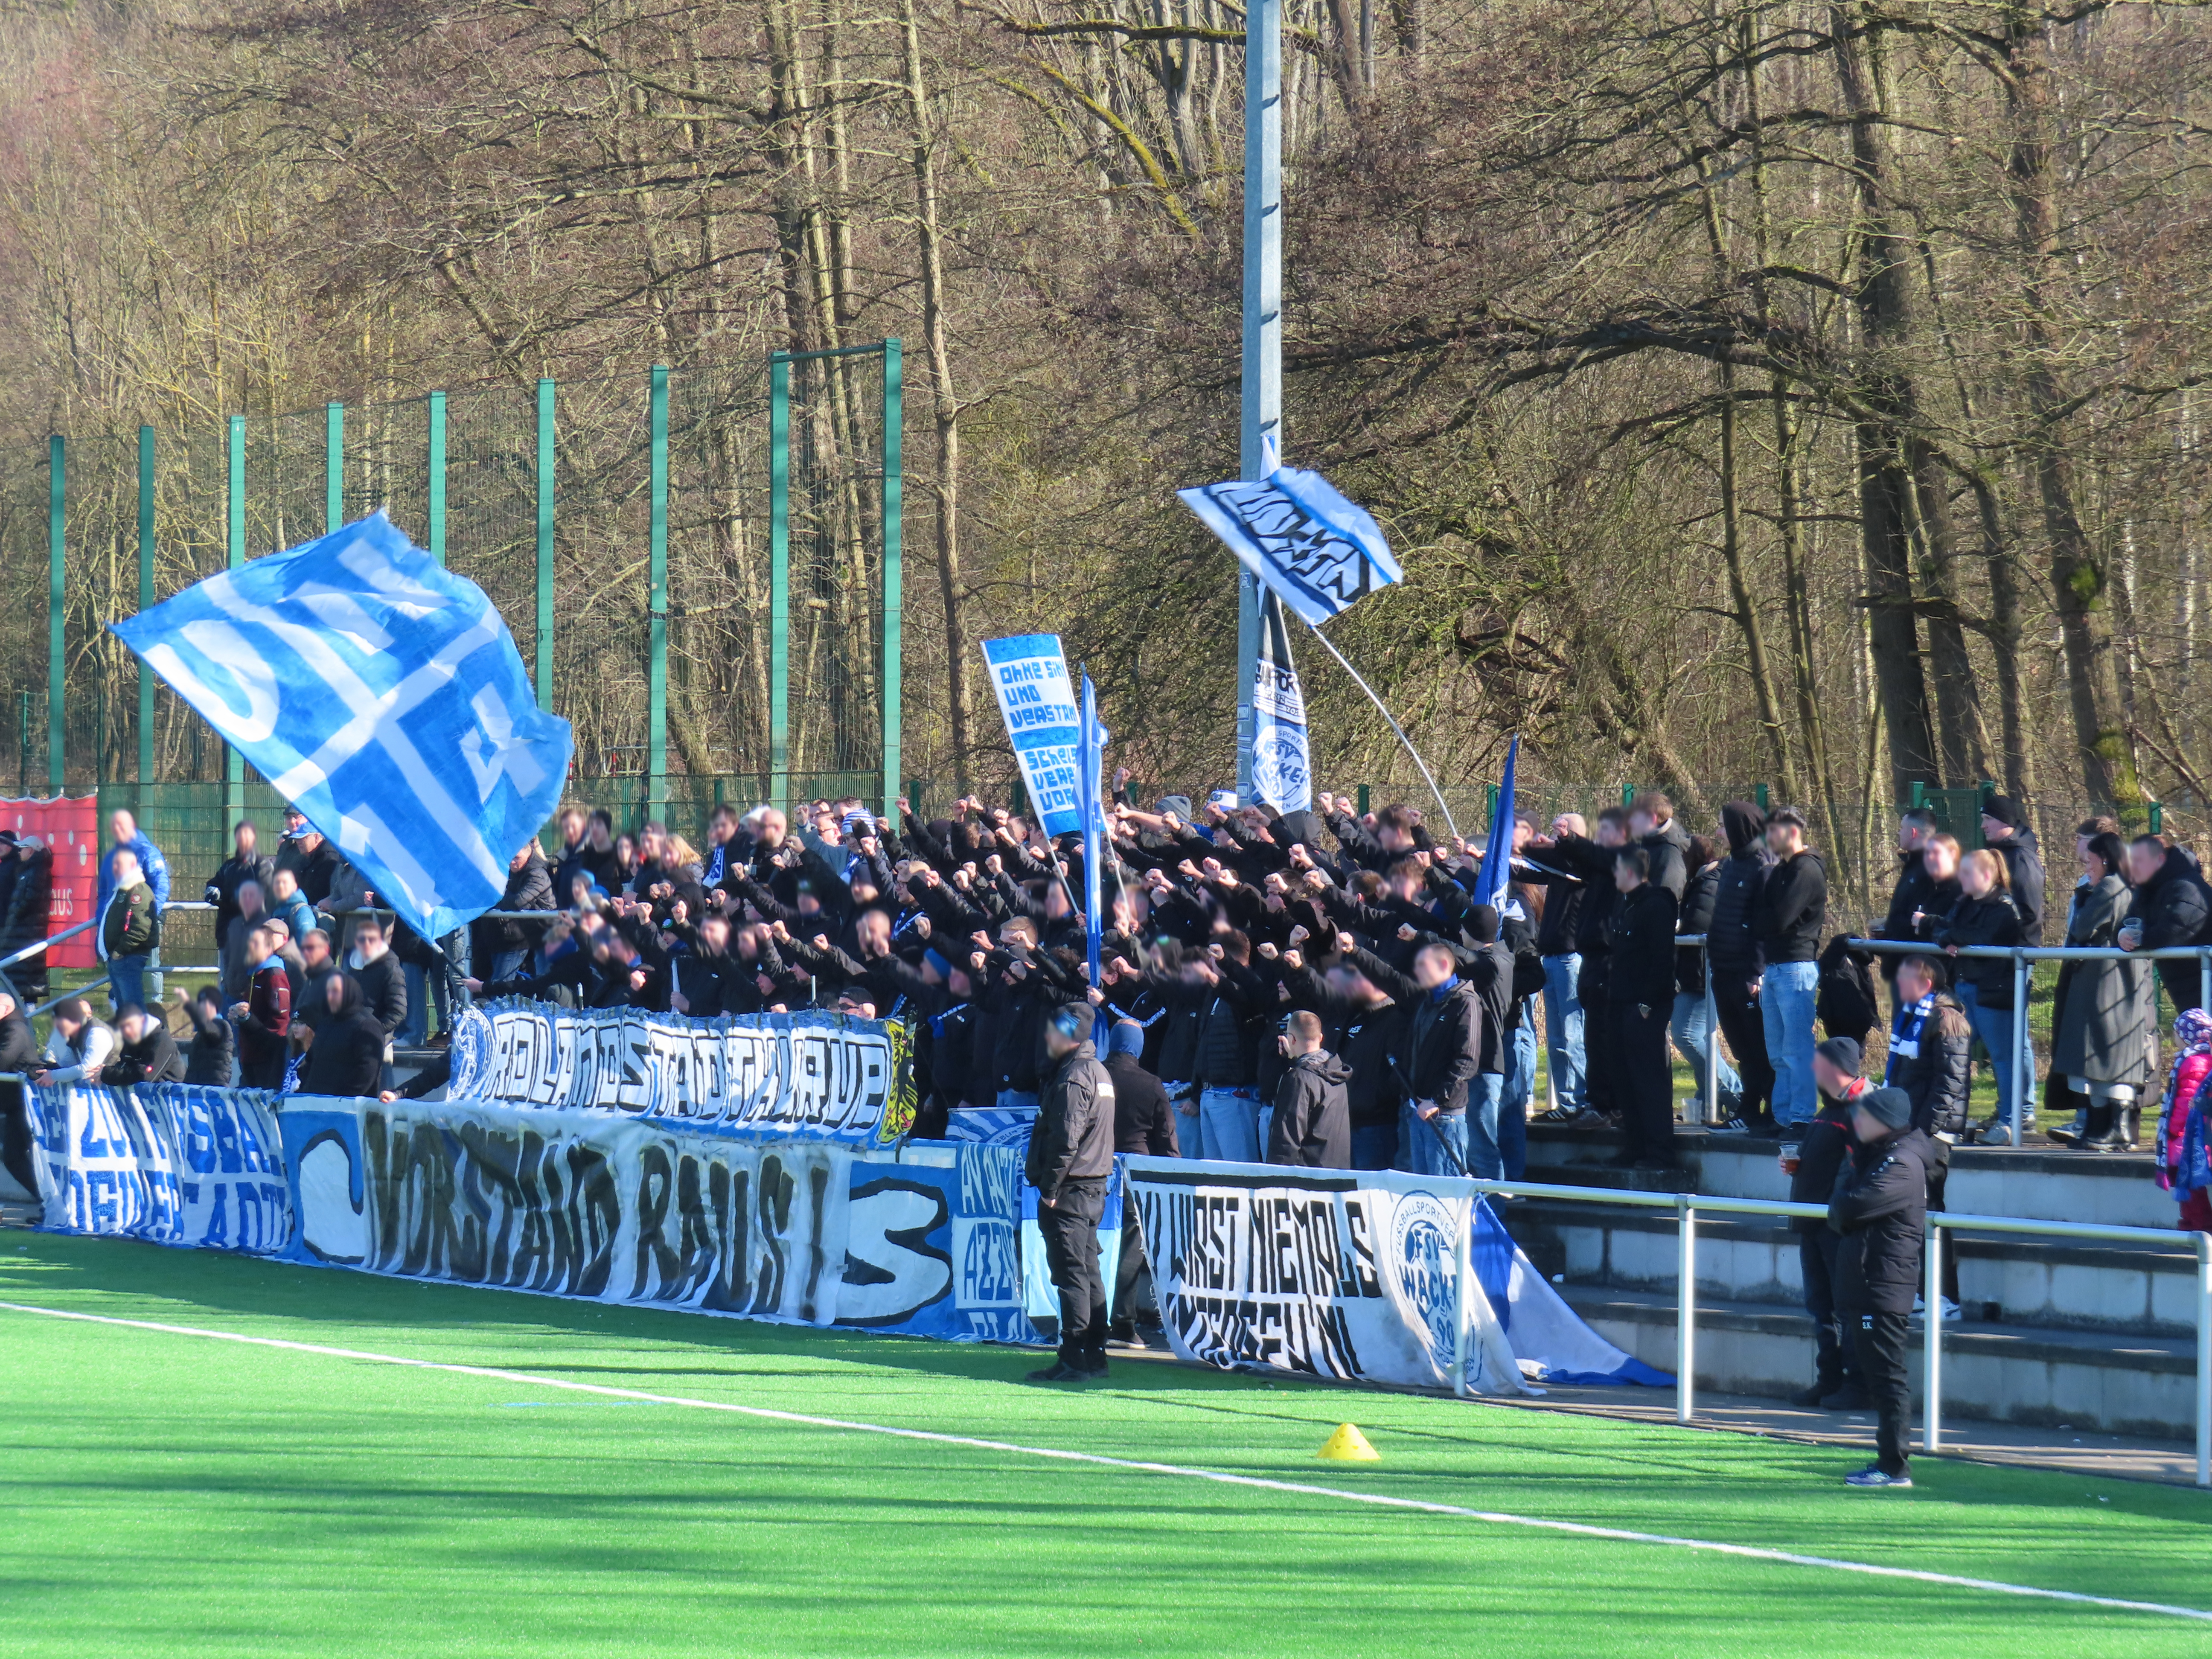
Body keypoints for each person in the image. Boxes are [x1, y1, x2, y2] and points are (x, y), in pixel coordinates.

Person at [1827, 1084, 1933, 1489]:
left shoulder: (1902, 1163)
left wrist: (1842, 1206)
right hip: (1870, 1281)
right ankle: (1889, 1462)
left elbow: (1849, 1206)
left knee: (1887, 1378)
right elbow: (1843, 1206)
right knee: (1879, 1376)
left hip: (1883, 1286)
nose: (1857, 1122)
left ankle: (1894, 1466)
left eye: (1865, 1116)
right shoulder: (1882, 1157)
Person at [1025, 1004, 1116, 1383]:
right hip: (1091, 1186)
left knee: (1071, 1273)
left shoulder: (1074, 1077)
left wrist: (1050, 1188)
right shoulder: (1098, 1071)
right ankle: (1094, 1352)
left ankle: (1074, 1356)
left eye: (1056, 1030)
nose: (1049, 1038)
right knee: (1088, 1271)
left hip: (1071, 1189)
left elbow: (1066, 1139)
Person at [2049, 830, 2151, 1152]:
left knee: (2096, 1054)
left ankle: (2110, 1129)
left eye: (2089, 861)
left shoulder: (2108, 887)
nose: (2086, 868)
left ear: (2104, 859)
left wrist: (2084, 897)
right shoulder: (2133, 886)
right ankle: (2107, 1127)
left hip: (2102, 983)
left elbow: (2080, 928)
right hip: (2123, 983)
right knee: (2111, 1057)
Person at [1883, 953, 1968, 1317]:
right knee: (1911, 1210)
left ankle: (1946, 1297)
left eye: (1906, 979)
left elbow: (1950, 1083)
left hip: (1929, 1135)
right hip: (1909, 1131)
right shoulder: (1911, 1018)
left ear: (1927, 984)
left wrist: (1923, 1131)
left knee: (1931, 1208)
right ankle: (1920, 1291)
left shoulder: (1946, 1019)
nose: (1898, 986)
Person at [1788, 1036, 1867, 1409]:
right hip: (1812, 1223)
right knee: (1820, 1308)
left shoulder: (1859, 1110)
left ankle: (1856, 1383)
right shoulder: (1827, 1112)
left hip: (1837, 1227)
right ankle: (1830, 1379)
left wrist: (1838, 1210)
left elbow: (1857, 1170)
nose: (1813, 1071)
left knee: (1846, 1307)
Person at [1932, 848, 2029, 1142]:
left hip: (1992, 993)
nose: (1960, 878)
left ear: (1987, 875)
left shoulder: (2003, 907)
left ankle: (2011, 1121)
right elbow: (1945, 929)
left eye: (1967, 872)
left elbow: (1983, 937)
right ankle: (1951, 1117)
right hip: (1964, 988)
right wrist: (1949, 936)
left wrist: (1953, 937)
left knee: (2002, 1057)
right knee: (1953, 1050)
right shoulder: (1964, 904)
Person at [1102, 1018, 1176, 1348]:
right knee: (1131, 1247)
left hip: (1092, 1169)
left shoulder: (1093, 1074)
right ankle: (1122, 1323)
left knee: (1090, 1244)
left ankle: (1082, 1319)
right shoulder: (1151, 1084)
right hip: (1133, 1172)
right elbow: (1166, 1138)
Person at [1605, 846, 1679, 1170]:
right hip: (1621, 1003)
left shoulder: (1655, 906)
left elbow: (1662, 959)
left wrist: (1647, 1004)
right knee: (1625, 1078)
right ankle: (1635, 1146)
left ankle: (1660, 1152)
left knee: (1649, 1080)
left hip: (1644, 1007)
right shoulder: (1627, 906)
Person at [1755, 808, 1827, 1130]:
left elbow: (1779, 917)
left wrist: (1760, 921)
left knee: (1797, 1051)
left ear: (1792, 832)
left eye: (1773, 831)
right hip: (1774, 968)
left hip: (1796, 968)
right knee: (1778, 1054)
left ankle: (1801, 1117)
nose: (1768, 838)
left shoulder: (1806, 869)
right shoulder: (1781, 870)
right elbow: (1762, 914)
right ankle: (1783, 1117)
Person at [1706, 802, 1775, 1131]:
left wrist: (1756, 972)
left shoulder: (1762, 865)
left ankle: (1765, 1109)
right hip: (1722, 969)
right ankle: (1748, 1107)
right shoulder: (1730, 864)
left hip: (1746, 973)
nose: (1719, 832)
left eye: (1723, 826)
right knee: (1740, 1045)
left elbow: (1763, 925)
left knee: (1757, 1044)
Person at [1389, 941, 1481, 1178]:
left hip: (1444, 1117)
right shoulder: (1426, 1002)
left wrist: (1437, 1100)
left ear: (1442, 965)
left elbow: (1467, 1060)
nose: (1417, 971)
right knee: (1423, 1192)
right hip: (1418, 1111)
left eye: (1423, 965)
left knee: (1445, 1195)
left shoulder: (1465, 1002)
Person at [1671, 833, 1742, 1120]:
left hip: (1703, 974)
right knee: (1694, 1037)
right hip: (1693, 973)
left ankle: (1735, 1091)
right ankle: (1707, 1101)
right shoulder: (1700, 883)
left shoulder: (1708, 886)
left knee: (1688, 1035)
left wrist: (1677, 929)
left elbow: (1700, 925)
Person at [1531, 812, 1588, 1121]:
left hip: (1570, 960)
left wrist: (1566, 842)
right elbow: (1527, 869)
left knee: (1572, 1034)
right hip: (1552, 958)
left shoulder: (1580, 867)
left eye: (1562, 834)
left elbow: (1571, 859)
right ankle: (1567, 1102)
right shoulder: (1556, 871)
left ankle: (1581, 1100)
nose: (1555, 840)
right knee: (1555, 1038)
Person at [2120, 834, 2212, 1015]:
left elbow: (2173, 931)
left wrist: (2139, 939)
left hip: (2203, 983)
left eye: (2139, 861)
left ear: (2160, 859)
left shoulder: (2188, 888)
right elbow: (2131, 922)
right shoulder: (2149, 891)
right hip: (2188, 985)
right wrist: (2123, 935)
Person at [96, 809, 170, 1005]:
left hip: (139, 923)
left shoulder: (147, 852)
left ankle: (156, 1005)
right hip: (117, 929)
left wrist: (150, 914)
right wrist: (102, 921)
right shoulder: (114, 855)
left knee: (146, 972)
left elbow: (161, 887)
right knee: (121, 985)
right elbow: (104, 892)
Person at [1269, 1010, 1351, 1168]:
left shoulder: (1299, 1079)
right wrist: (1294, 1060)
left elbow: (1287, 1140)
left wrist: (1276, 1181)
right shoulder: (1338, 1074)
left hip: (1307, 1181)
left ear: (1291, 1039)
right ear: (1321, 1038)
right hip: (1337, 1175)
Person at [2154, 1009, 2212, 1233]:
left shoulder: (2193, 1062)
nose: (2174, 1039)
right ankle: (2191, 1223)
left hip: (2186, 1137)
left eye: (2177, 1033)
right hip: (2196, 1134)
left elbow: (2187, 1100)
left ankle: (2201, 1226)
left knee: (2187, 1183)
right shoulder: (2199, 1059)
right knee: (2186, 1182)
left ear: (2189, 1035)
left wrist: (2175, 1128)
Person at [205, 821, 274, 991]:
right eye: (239, 835)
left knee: (244, 983)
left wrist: (226, 902)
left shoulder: (262, 866)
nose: (243, 839)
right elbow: (215, 882)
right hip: (225, 932)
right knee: (227, 979)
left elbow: (263, 897)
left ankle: (243, 1015)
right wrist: (213, 891)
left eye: (247, 834)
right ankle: (227, 1016)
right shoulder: (229, 866)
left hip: (249, 934)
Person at [299, 973, 389, 1097]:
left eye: (335, 991)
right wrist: (304, 1091)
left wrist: (344, 1099)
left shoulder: (367, 1025)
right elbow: (311, 1061)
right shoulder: (325, 1022)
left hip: (345, 1109)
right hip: (314, 1104)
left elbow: (367, 1071)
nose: (330, 996)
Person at [96, 848, 161, 1014]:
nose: (115, 868)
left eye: (120, 864)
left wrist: (120, 951)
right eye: (114, 865)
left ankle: (140, 1039)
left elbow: (140, 928)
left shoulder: (138, 890)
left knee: (133, 1010)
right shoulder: (123, 889)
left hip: (128, 957)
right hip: (119, 958)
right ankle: (130, 1039)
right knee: (125, 1010)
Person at [230, 923, 294, 1090]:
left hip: (267, 1062)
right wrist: (240, 1016)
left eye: (255, 944)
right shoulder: (253, 975)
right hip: (249, 1056)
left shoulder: (275, 976)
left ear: (268, 949)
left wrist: (247, 1019)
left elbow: (279, 1026)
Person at [1979, 796, 2046, 946]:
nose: (1983, 826)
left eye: (1988, 819)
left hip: (2015, 954)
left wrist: (2019, 950)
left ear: (2005, 821)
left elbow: (2030, 912)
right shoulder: (1994, 852)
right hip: (1994, 950)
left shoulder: (2022, 858)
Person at [0, 832, 52, 1006]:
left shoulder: (35, 871)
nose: (19, 851)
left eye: (22, 849)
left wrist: (16, 915)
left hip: (26, 930)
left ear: (31, 851)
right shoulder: (26, 869)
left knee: (27, 973)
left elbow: (30, 899)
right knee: (18, 973)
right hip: (19, 929)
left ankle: (28, 1010)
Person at [0, 986, 41, 1194]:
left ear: (6, 1008)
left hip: (24, 1103)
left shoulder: (15, 1029)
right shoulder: (9, 1027)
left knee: (15, 1157)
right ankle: (47, 1202)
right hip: (15, 1103)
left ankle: (48, 1201)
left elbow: (4, 1059)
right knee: (14, 1157)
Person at [32, 998, 116, 1086]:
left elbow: (87, 1071)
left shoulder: (98, 1034)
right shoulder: (71, 1036)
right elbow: (67, 1065)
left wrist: (53, 1076)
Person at [101, 1003, 186, 1087]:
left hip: (169, 1095)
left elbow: (145, 1076)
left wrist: (105, 1074)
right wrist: (102, 1072)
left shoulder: (163, 1043)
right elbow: (125, 1064)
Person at [174, 985, 236, 1086]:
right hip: (198, 1091)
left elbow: (205, 1027)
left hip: (213, 1091)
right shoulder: (200, 1034)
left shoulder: (222, 1027)